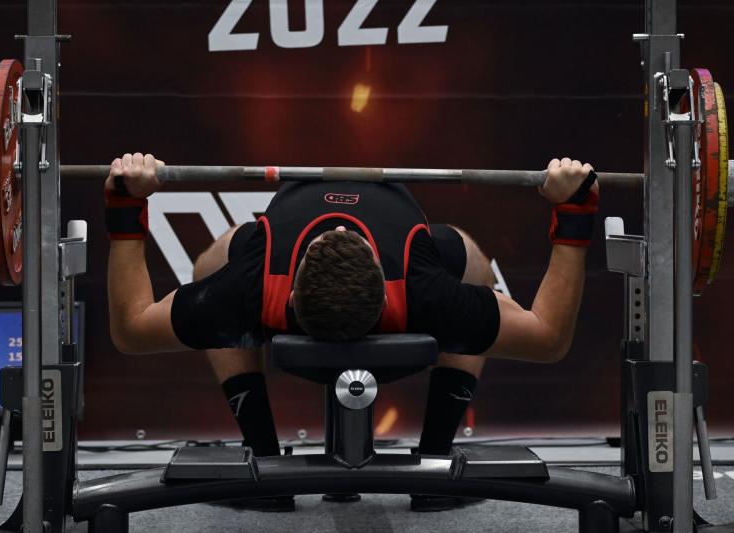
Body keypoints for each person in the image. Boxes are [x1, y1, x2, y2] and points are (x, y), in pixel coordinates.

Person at [104, 153, 598, 512]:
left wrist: (127, 203)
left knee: (214, 260)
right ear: (387, 298)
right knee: (472, 260)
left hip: (263, 276)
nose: (343, 229)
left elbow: (131, 328)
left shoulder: (253, 286)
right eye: (342, 238)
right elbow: (548, 337)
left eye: (335, 239)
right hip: (412, 261)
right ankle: (433, 465)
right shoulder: (423, 291)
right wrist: (574, 210)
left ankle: (266, 466)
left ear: (290, 297)